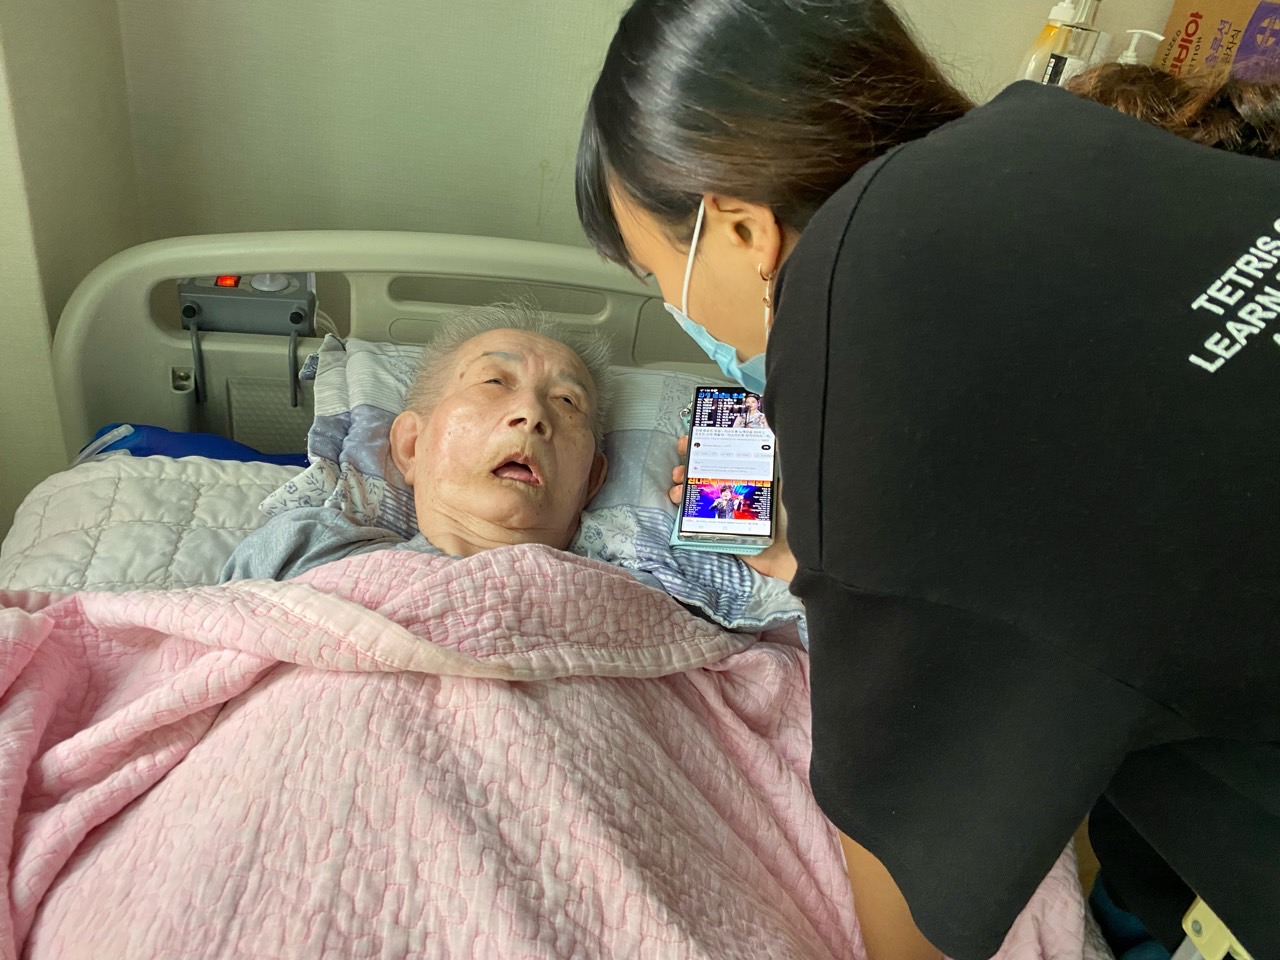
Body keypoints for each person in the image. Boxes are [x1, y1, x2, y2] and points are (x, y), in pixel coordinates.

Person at [575, 3, 1280, 958]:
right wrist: (822, 552)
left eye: (654, 271)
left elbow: (909, 872)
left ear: (739, 230)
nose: (671, 303)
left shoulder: (851, 352)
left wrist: (841, 544)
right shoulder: (1049, 124)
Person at [222, 304, 611, 581]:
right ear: (411, 446)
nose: (532, 413)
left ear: (592, 480)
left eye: (567, 401)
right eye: (493, 381)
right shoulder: (307, 550)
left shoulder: (629, 601)